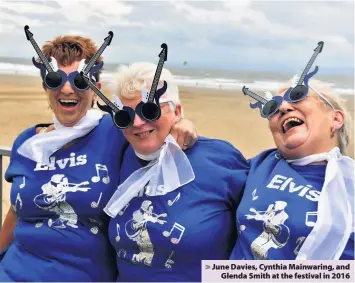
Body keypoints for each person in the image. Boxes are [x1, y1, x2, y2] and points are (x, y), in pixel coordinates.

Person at [0, 35, 197, 281]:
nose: (67, 89)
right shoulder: (27, 142)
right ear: (45, 86)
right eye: (55, 80)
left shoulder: (117, 132)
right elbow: (17, 212)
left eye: (80, 81)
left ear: (96, 89)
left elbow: (151, 127)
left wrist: (182, 122)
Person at [103, 62, 250, 282]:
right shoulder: (119, 154)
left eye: (150, 110)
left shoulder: (219, 159)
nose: (138, 122)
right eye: (125, 116)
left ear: (177, 110)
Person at [230, 78, 354, 260]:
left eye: (298, 96)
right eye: (272, 107)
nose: (283, 108)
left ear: (336, 118)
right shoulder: (260, 165)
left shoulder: (349, 185)